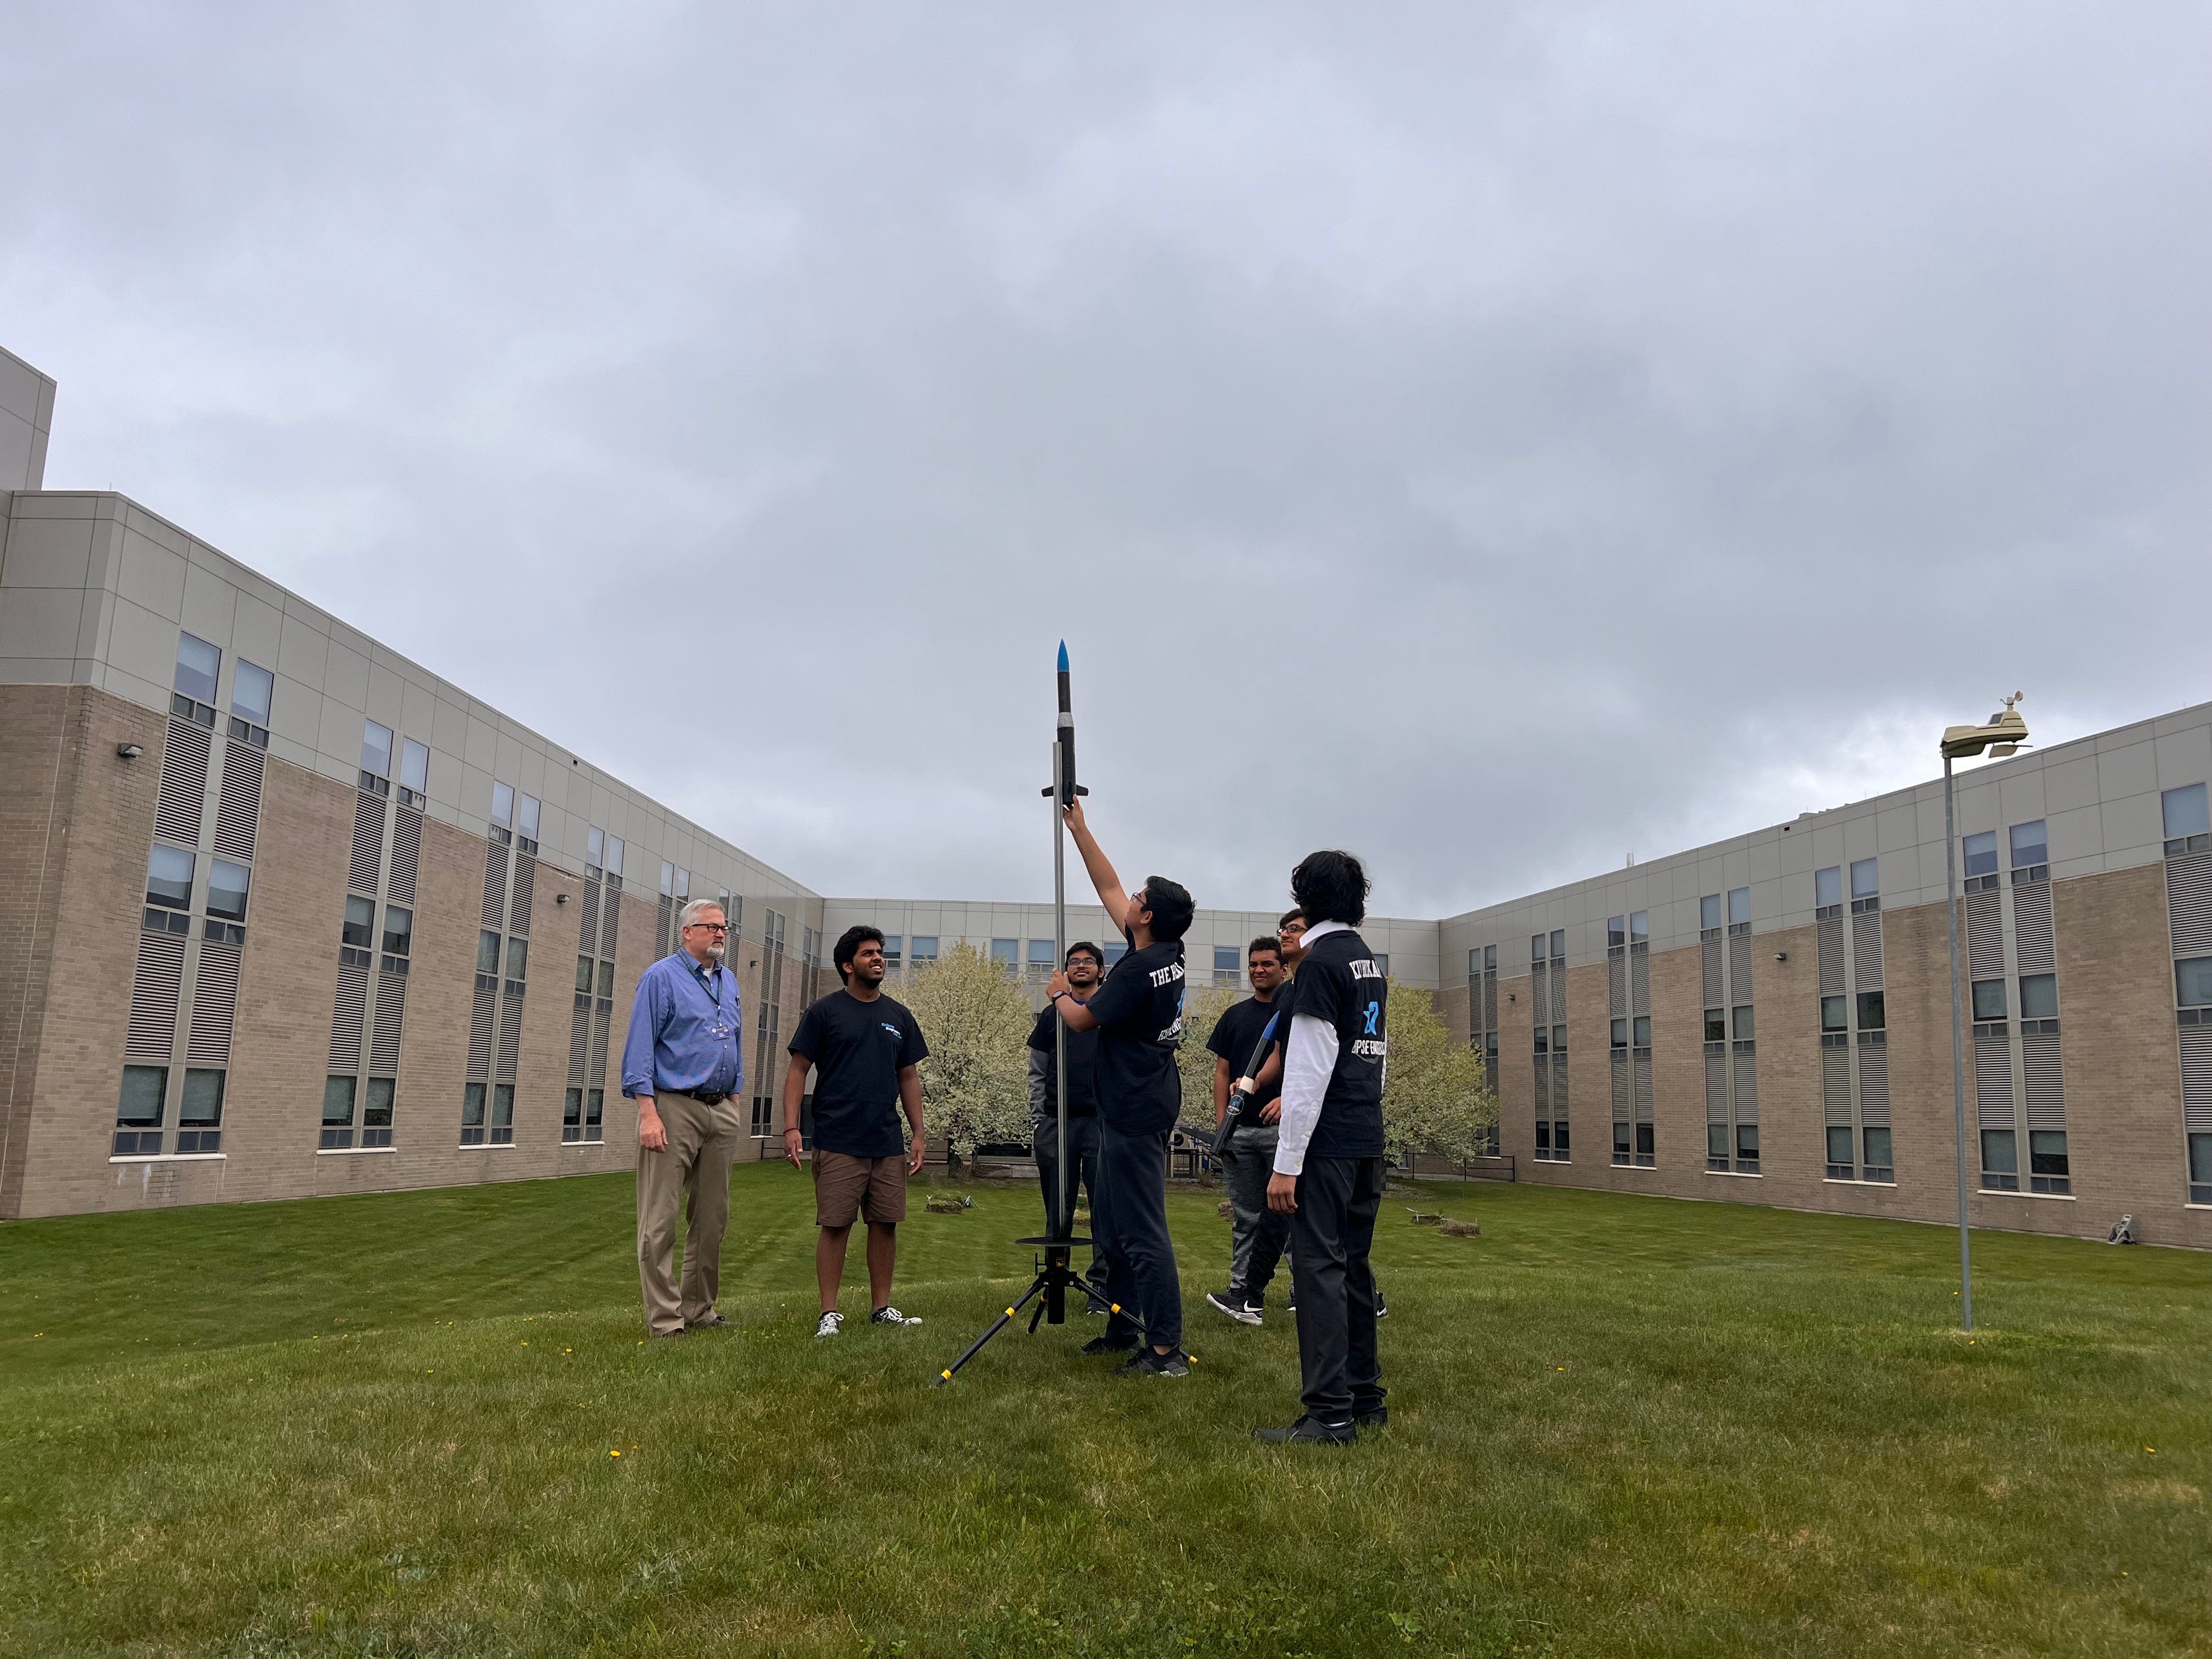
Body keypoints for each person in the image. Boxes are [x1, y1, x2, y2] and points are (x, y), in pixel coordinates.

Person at [1045, 797, 1194, 1378]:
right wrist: (1081, 830)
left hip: (1134, 1110)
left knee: (1142, 1229)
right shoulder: (1163, 951)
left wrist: (1060, 991)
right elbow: (1109, 887)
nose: (1129, 899)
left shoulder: (1135, 971)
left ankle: (1164, 1349)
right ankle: (1123, 1324)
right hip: (1136, 1101)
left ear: (1148, 917)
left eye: (1139, 900)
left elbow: (1082, 1020)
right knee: (1110, 1222)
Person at [1254, 851, 1389, 1445]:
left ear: (1305, 898)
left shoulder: (1318, 964)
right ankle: (1365, 1398)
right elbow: (1376, 1058)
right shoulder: (1367, 962)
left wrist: (1286, 1165)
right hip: (1366, 1137)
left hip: (1327, 1144)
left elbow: (1307, 1072)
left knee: (1318, 1271)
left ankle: (1329, 1414)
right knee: (1353, 1266)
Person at [1237, 908, 1385, 1324]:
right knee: (1286, 1221)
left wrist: (1295, 1103)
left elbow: (1326, 1060)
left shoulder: (1327, 972)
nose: (1286, 934)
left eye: (1296, 928)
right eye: (1283, 928)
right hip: (1327, 1123)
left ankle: (1350, 1307)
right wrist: (1254, 1083)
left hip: (1327, 1131)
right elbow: (1289, 1054)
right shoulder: (1293, 992)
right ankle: (1252, 1294)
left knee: (1324, 1238)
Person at [781, 926, 929, 1338]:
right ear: (848, 965)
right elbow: (798, 1070)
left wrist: (918, 1134)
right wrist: (792, 1127)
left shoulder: (899, 1016)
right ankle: (829, 1312)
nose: (879, 958)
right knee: (836, 1225)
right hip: (838, 1138)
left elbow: (909, 1076)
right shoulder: (825, 1013)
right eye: (868, 954)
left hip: (886, 1139)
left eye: (881, 952)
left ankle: (881, 1307)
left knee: (885, 1224)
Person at [620, 897, 745, 1338]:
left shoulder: (728, 981)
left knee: (713, 1218)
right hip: (673, 1106)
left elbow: (735, 1036)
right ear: (687, 932)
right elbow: (639, 1047)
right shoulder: (661, 978)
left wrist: (735, 1093)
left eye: (724, 928)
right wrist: (647, 1112)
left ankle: (699, 1310)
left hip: (720, 1111)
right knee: (660, 1219)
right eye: (710, 927)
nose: (720, 934)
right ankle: (666, 1320)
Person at [1203, 935, 1293, 1325]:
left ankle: (1301, 1288)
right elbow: (1222, 1074)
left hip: (1282, 1134)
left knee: (1290, 1214)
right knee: (1247, 1217)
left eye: (1267, 964)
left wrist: (1288, 1101)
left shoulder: (1294, 1013)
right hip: (1241, 1134)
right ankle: (1241, 1289)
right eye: (1254, 964)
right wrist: (1225, 1124)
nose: (1259, 970)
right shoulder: (1234, 1016)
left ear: (1283, 969)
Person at [1028, 940, 1110, 1296]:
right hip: (1056, 1124)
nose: (1080, 966)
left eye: (1088, 961)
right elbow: (1037, 1071)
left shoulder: (1109, 1011)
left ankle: (1102, 1287)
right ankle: (1056, 1283)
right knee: (1057, 1210)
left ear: (1101, 971)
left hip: (1099, 1123)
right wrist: (1037, 1121)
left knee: (1104, 1208)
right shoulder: (1051, 1016)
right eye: (1074, 962)